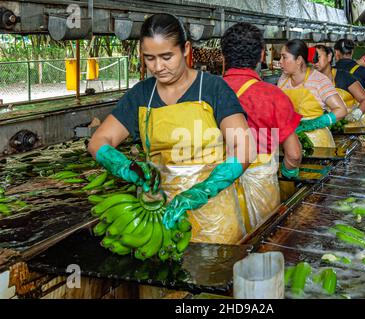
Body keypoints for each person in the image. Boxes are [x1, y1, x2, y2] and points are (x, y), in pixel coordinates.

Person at [87, 13, 256, 245]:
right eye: (150, 58)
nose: (158, 67)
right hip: (157, 219)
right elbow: (99, 141)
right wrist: (127, 167)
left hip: (214, 219)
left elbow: (244, 147)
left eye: (167, 57)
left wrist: (204, 190)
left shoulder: (213, 88)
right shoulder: (141, 94)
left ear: (186, 49)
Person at [221, 22, 302, 231]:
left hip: (218, 192)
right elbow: (293, 154)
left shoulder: (206, 93)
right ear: (260, 56)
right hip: (262, 190)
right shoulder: (274, 96)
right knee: (264, 242)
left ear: (223, 56)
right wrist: (288, 174)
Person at [277, 39, 347, 148]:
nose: (280, 61)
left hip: (317, 143)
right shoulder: (283, 79)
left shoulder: (319, 80)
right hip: (290, 141)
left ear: (299, 60)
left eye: (284, 57)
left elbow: (341, 110)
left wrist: (315, 123)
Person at [313, 45, 365, 128]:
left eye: (318, 57)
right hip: (324, 127)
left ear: (329, 57)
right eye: (312, 58)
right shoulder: (310, 80)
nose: (315, 61)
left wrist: (356, 114)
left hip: (349, 127)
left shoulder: (344, 76)